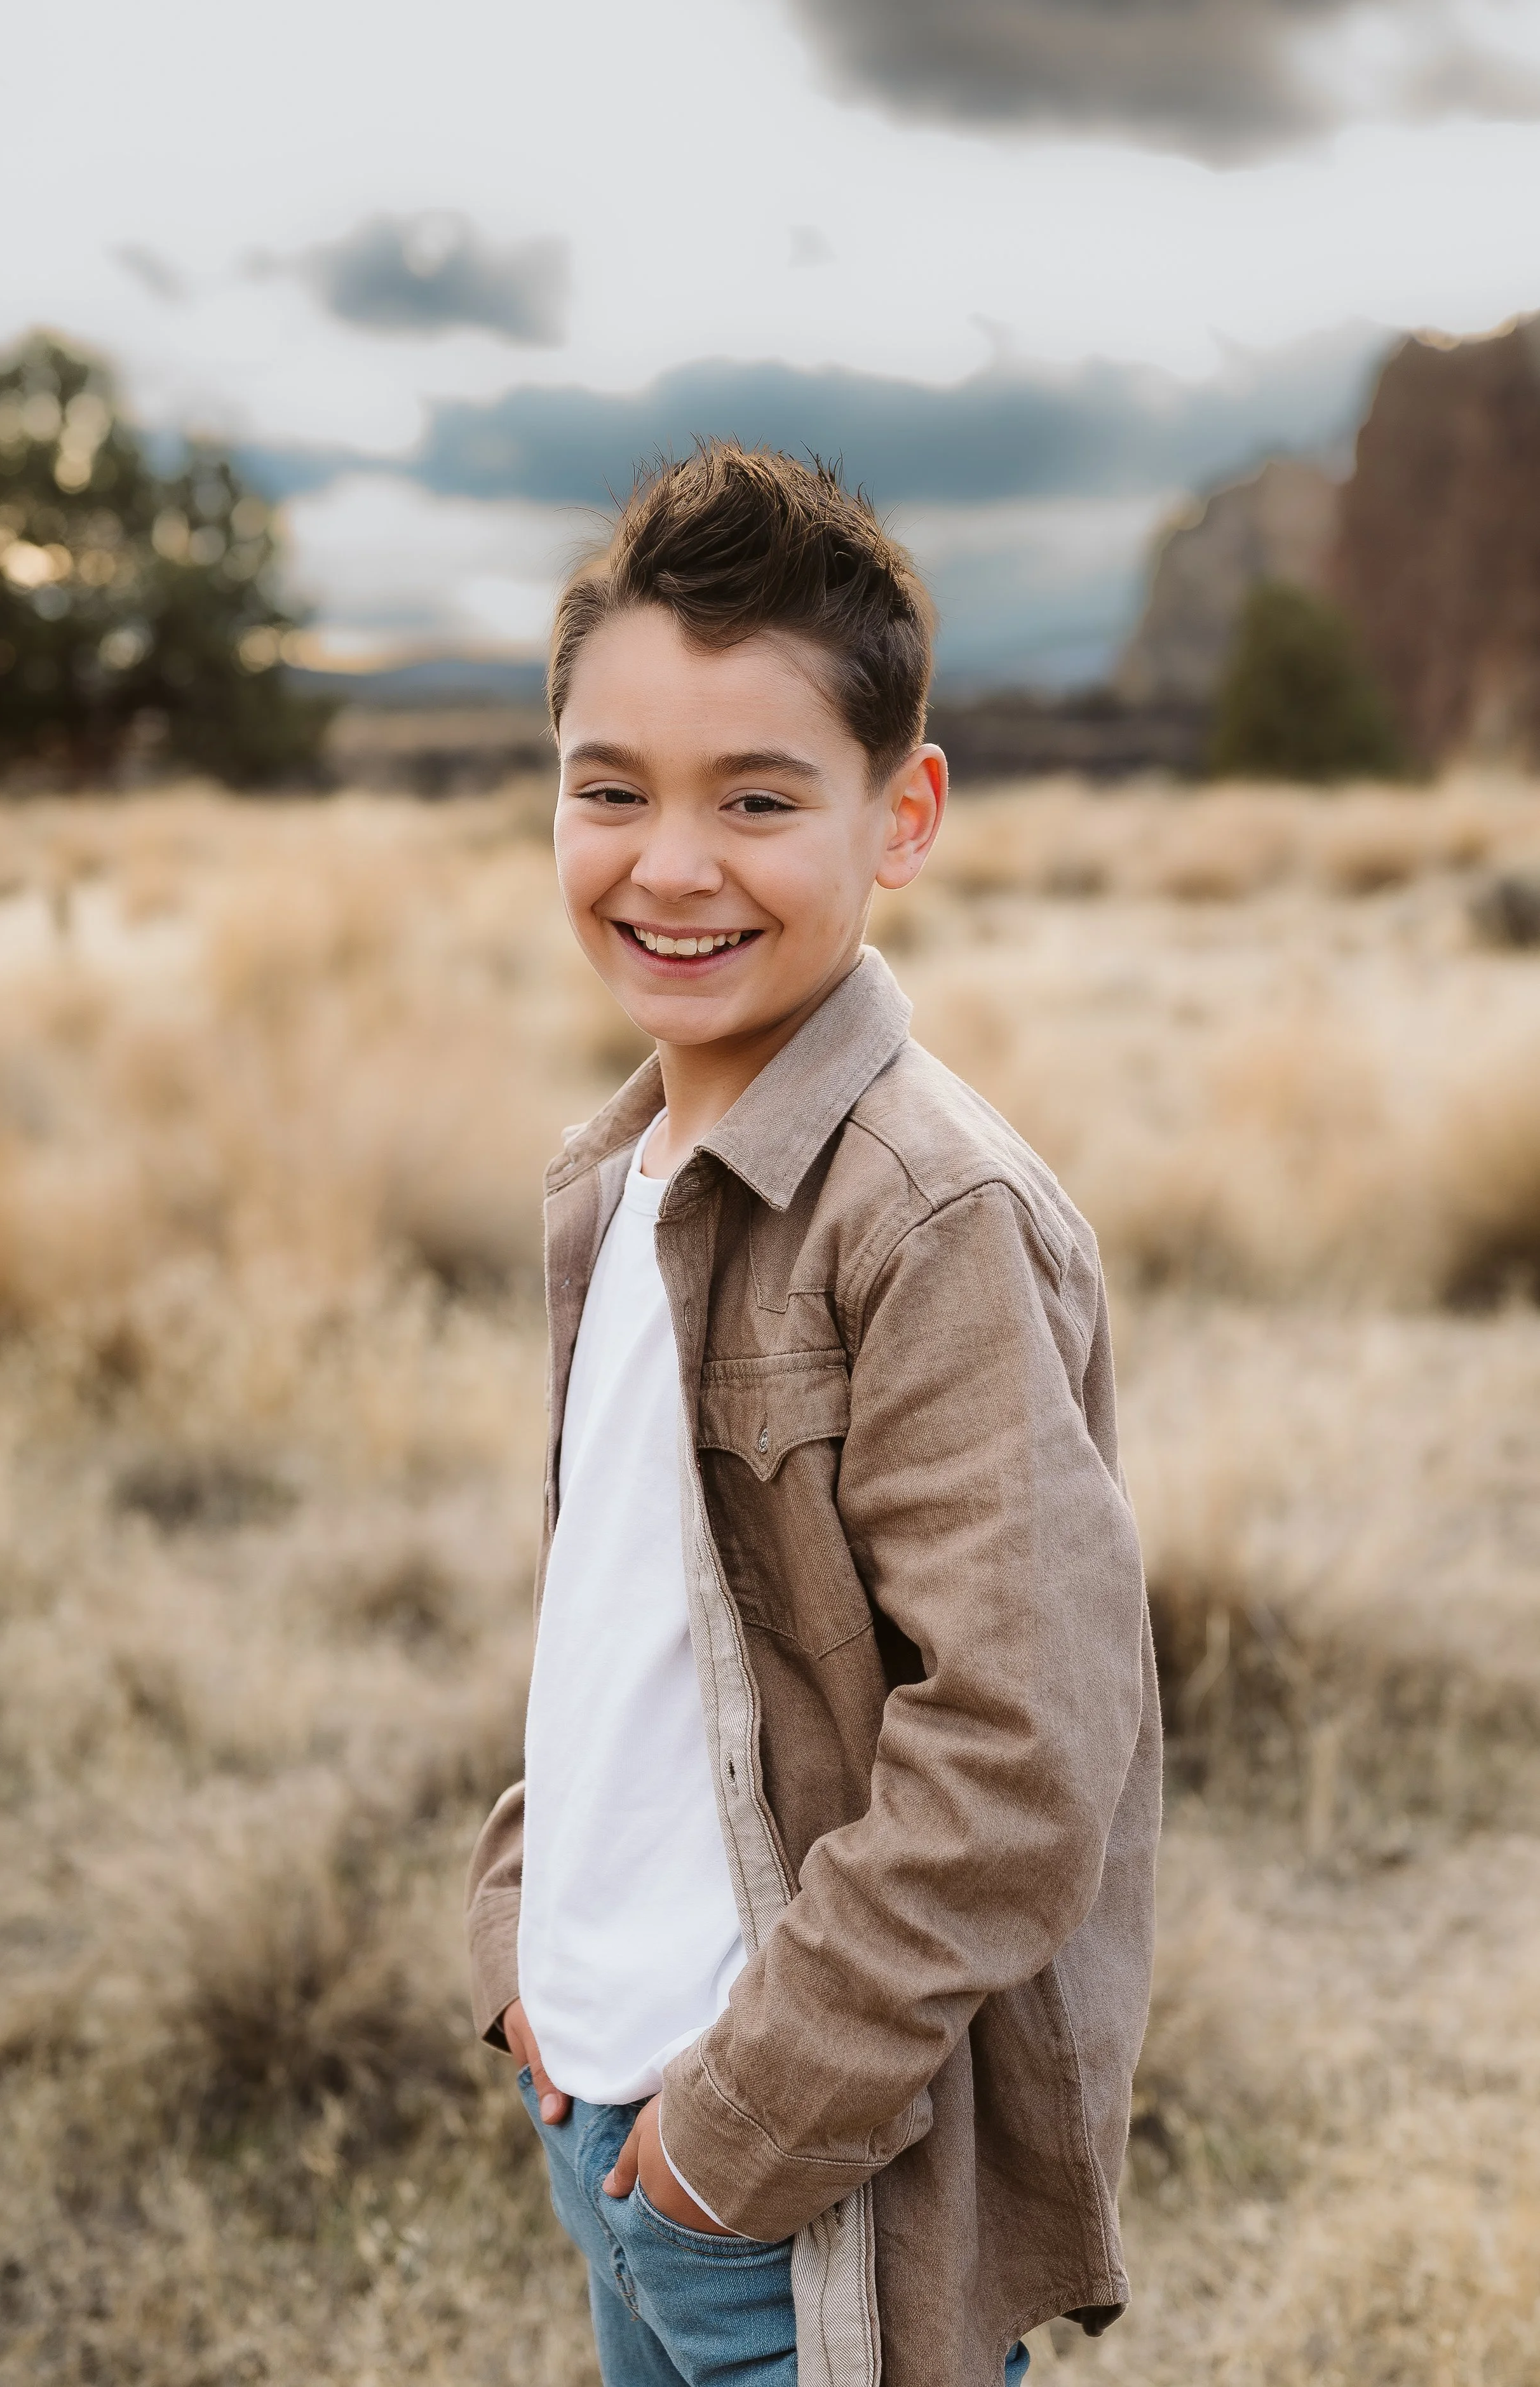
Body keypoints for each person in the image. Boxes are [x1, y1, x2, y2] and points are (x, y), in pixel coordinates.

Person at [464, 443, 1160, 2387]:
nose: (667, 864)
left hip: (796, 2204)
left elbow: (1022, 1754)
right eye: (609, 789)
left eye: (756, 799)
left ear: (900, 811)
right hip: (599, 2106)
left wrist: (730, 2142)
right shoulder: (615, 1184)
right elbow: (622, 1623)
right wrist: (519, 1938)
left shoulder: (924, 1217)